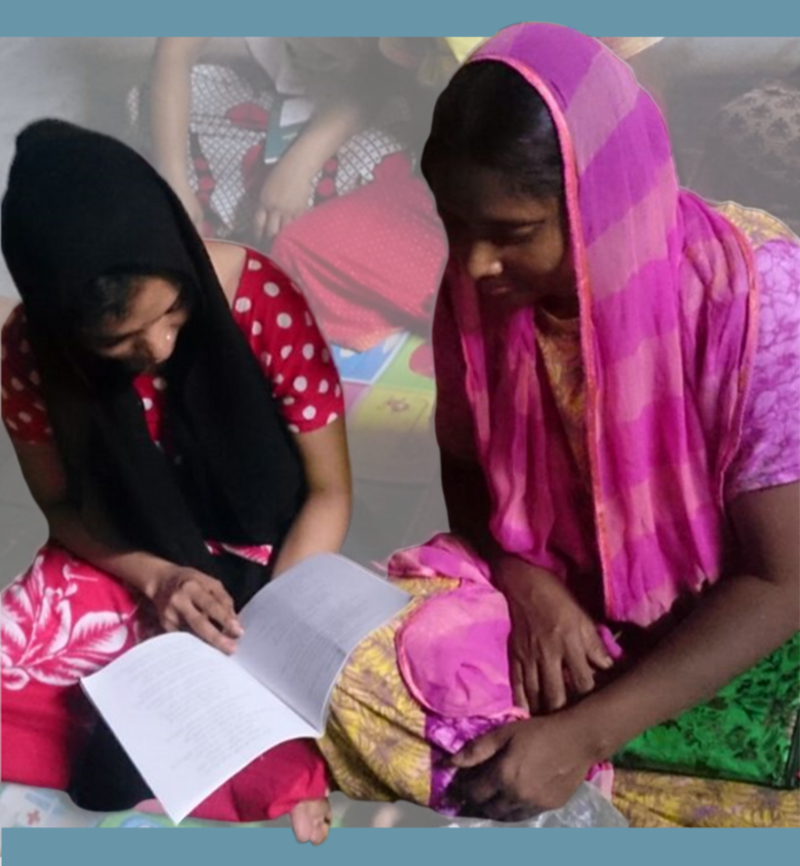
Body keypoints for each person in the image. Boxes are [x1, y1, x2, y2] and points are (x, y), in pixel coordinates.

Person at [312, 24, 799, 823]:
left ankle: (574, 774)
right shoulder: (483, 294)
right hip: (561, 612)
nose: (472, 265)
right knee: (345, 671)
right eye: (456, 225)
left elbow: (784, 583)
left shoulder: (756, 298)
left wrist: (581, 733)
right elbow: (468, 471)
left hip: (730, 624)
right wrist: (527, 583)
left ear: (601, 198)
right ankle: (579, 785)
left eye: (511, 234)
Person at [0, 119, 352, 844]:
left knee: (306, 704)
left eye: (172, 312)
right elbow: (63, 509)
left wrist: (277, 627)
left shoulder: (257, 298)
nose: (158, 347)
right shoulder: (30, 353)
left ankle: (266, 770)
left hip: (270, 554)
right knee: (19, 662)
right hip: (124, 547)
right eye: (117, 343)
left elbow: (328, 492)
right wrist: (157, 578)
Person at [147, 37, 448, 350]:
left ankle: (277, 230)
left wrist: (298, 165)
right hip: (275, 103)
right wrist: (174, 181)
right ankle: (252, 232)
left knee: (386, 155)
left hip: (360, 115)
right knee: (156, 110)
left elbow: (378, 78)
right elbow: (175, 49)